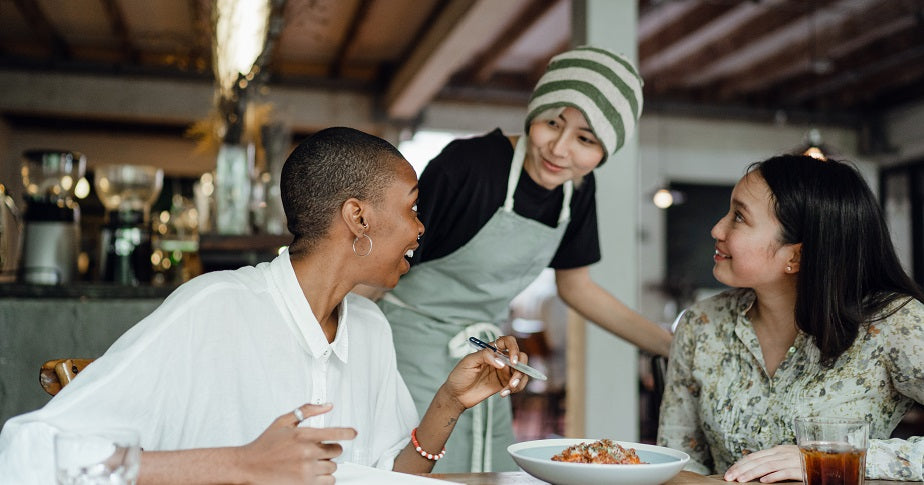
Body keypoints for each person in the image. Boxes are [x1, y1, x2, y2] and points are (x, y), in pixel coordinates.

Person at [0, 127, 531, 484]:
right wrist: (242, 464)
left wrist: (449, 402)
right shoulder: (213, 308)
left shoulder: (369, 327)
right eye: (413, 208)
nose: (421, 228)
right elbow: (26, 455)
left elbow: (389, 478)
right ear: (358, 218)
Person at [373, 46, 673, 472]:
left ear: (604, 154)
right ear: (535, 112)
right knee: (417, 471)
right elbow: (381, 264)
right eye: (553, 123)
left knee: (487, 470)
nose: (560, 149)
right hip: (407, 350)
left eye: (585, 140)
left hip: (486, 354)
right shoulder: (469, 165)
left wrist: (669, 346)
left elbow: (576, 287)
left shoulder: (578, 192)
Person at [657, 154, 924, 482]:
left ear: (796, 255)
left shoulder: (893, 324)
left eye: (739, 217)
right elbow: (674, 466)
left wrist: (827, 458)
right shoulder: (701, 324)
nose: (717, 228)